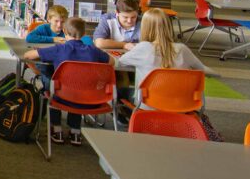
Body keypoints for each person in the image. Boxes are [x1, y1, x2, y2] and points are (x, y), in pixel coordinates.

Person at [22, 16, 112, 147]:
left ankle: (57, 129)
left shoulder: (60, 49)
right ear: (84, 33)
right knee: (78, 88)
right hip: (90, 99)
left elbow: (28, 56)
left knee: (52, 88)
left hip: (61, 97)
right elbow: (112, 62)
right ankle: (75, 131)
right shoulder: (93, 51)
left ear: (64, 31)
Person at [116, 9, 207, 107]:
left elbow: (119, 63)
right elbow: (202, 70)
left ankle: (131, 120)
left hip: (148, 105)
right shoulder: (182, 49)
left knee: (118, 91)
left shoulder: (143, 47)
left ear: (145, 27)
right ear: (168, 26)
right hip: (180, 105)